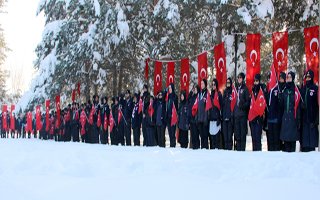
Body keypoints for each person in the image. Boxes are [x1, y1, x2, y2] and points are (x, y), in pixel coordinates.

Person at [280, 71, 300, 152]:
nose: (288, 79)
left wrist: (298, 117)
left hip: (293, 116)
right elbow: (281, 105)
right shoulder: (284, 89)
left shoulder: (296, 89)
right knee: (286, 140)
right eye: (287, 77)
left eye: (290, 77)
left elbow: (298, 103)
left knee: (292, 139)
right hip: (285, 115)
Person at [300, 70, 319, 152]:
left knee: (312, 143)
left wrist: (316, 119)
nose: (307, 79)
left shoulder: (315, 89)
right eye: (306, 77)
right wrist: (301, 105)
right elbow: (299, 101)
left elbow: (317, 104)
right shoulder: (303, 89)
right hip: (304, 118)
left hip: (312, 118)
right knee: (305, 142)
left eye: (309, 77)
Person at [266, 72, 286, 151]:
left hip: (278, 118)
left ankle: (277, 152)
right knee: (271, 139)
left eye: (282, 78)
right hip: (270, 118)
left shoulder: (282, 89)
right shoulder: (271, 89)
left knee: (277, 139)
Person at [249, 74, 267, 151]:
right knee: (253, 137)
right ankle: (254, 151)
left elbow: (263, 103)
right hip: (253, 117)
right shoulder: (253, 90)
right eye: (254, 81)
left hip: (259, 117)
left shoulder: (262, 89)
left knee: (257, 137)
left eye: (257, 80)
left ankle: (258, 152)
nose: (255, 82)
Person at [234, 72, 250, 151]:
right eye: (238, 77)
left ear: (243, 79)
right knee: (237, 133)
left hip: (242, 114)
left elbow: (248, 101)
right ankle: (238, 149)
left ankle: (242, 149)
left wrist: (243, 105)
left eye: (240, 77)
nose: (239, 79)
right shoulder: (236, 88)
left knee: (242, 133)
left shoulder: (245, 89)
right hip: (236, 114)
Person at [209, 79, 223, 149]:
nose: (213, 86)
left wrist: (219, 118)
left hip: (216, 119)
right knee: (212, 139)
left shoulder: (219, 94)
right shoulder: (211, 94)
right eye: (212, 84)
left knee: (217, 139)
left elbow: (221, 107)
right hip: (211, 119)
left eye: (214, 84)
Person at [197, 79, 209, 149]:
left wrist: (206, 117)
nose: (201, 85)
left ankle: (206, 148)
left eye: (202, 84)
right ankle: (202, 149)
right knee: (201, 136)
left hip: (205, 118)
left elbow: (208, 106)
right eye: (201, 84)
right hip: (200, 118)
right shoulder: (199, 94)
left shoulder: (207, 93)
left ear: (205, 84)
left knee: (205, 136)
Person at [222, 78, 234, 150]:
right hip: (224, 116)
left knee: (229, 136)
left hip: (230, 117)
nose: (228, 84)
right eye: (227, 82)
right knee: (225, 136)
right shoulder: (225, 92)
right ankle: (226, 149)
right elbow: (222, 104)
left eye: (229, 82)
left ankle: (230, 149)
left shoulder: (232, 92)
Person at [166, 83, 178, 147]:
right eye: (169, 88)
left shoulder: (175, 96)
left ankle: (173, 145)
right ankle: (171, 144)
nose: (169, 89)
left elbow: (176, 107)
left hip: (173, 117)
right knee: (170, 133)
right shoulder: (168, 96)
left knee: (173, 132)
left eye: (170, 88)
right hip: (168, 117)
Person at [188, 85, 200, 149]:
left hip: (196, 118)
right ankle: (194, 147)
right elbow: (188, 99)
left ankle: (197, 147)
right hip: (191, 119)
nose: (194, 90)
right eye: (194, 89)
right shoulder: (192, 97)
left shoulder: (198, 97)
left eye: (195, 89)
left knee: (196, 135)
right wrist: (191, 92)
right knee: (192, 135)